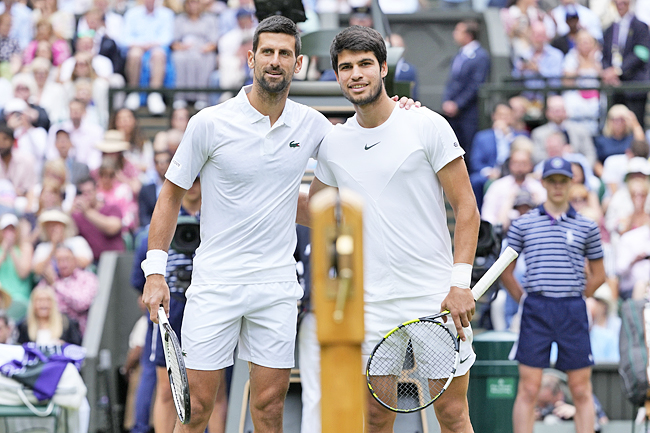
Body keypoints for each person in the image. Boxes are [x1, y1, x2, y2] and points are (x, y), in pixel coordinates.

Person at [141, 15, 417, 433]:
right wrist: (154, 273)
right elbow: (169, 198)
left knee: (269, 408)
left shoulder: (313, 126)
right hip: (216, 283)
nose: (275, 61)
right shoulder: (209, 123)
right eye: (267, 52)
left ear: (298, 63)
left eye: (284, 53)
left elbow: (361, 146)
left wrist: (403, 114)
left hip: (277, 286)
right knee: (196, 408)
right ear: (251, 58)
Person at [307, 25, 480, 433]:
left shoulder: (426, 124)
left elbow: (467, 207)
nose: (356, 74)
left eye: (365, 63)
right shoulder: (333, 144)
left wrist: (459, 283)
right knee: (376, 417)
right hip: (368, 306)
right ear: (336, 76)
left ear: (383, 67)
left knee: (453, 416)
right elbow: (315, 210)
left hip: (433, 297)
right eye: (345, 67)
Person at [500, 156, 606, 433]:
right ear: (544, 183)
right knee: (529, 388)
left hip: (572, 308)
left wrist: (579, 295)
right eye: (552, 181)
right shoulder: (523, 224)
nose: (558, 186)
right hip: (536, 308)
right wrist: (524, 299)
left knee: (581, 389)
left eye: (563, 181)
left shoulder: (587, 226)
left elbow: (599, 274)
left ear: (571, 183)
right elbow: (505, 271)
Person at [442, 20, 491, 158]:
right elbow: (451, 82)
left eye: (458, 31)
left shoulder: (481, 56)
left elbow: (475, 85)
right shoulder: (460, 54)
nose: (454, 34)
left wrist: (458, 104)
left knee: (467, 150)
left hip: (468, 114)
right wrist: (447, 101)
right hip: (452, 113)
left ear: (469, 35)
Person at [601, 0, 650, 126]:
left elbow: (642, 54)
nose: (620, 4)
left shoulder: (641, 27)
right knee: (614, 126)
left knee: (635, 125)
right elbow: (605, 55)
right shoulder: (610, 29)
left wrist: (618, 71)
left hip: (634, 87)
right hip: (615, 88)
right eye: (616, 1)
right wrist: (609, 73)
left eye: (624, 1)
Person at [39, 245, 98, 334]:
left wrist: (56, 285)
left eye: (66, 259)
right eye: (59, 260)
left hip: (77, 331)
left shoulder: (87, 278)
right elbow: (37, 303)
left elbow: (81, 304)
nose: (63, 264)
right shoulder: (47, 281)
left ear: (75, 260)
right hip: (52, 329)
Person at [71, 176, 124, 263]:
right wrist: (70, 210)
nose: (86, 196)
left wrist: (87, 212)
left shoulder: (111, 208)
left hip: (114, 260)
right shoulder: (77, 216)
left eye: (89, 192)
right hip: (92, 263)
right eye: (83, 193)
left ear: (96, 190)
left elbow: (112, 228)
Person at [16, 284, 82, 345]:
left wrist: (65, 346)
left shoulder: (66, 323)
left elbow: (76, 347)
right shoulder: (24, 326)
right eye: (39, 300)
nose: (43, 304)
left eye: (47, 300)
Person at [0, 213, 33, 322]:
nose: (9, 234)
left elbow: (23, 273)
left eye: (12, 230)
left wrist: (12, 250)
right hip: (2, 300)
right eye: (6, 230)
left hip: (19, 301)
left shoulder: (25, 248)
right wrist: (4, 251)